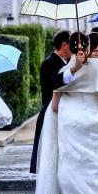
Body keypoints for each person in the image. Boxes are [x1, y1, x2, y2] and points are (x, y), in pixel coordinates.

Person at [35, 32, 98, 194]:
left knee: (73, 165)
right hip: (96, 122)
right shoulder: (96, 65)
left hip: (71, 124)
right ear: (88, 47)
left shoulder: (65, 69)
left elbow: (54, 106)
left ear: (72, 47)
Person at [30, 30, 71, 174]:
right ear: (64, 45)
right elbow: (53, 83)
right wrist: (72, 71)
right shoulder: (48, 63)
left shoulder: (67, 62)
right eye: (72, 43)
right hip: (51, 110)